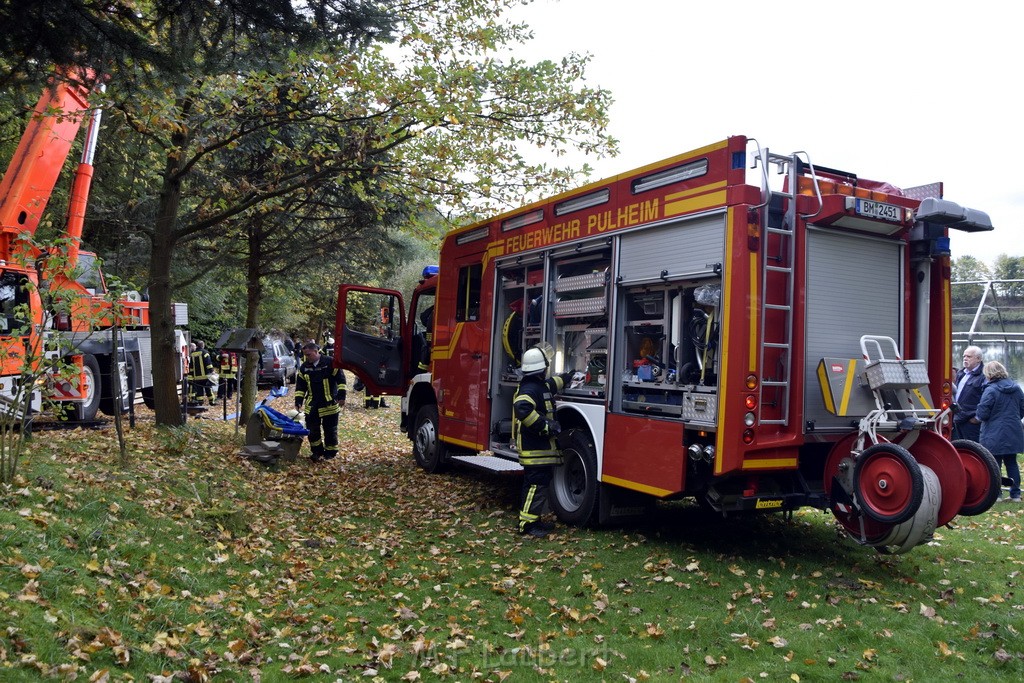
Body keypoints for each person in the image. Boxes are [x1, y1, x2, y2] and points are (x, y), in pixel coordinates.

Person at [512, 342, 572, 537]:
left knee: (537, 485)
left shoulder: (539, 386)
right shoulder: (530, 389)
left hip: (538, 448)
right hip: (535, 449)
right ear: (541, 368)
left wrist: (568, 377)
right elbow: (522, 408)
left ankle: (533, 521)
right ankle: (527, 525)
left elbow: (553, 384)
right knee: (535, 486)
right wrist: (545, 425)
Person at [973, 361, 1024, 502]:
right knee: (1012, 462)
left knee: (995, 464)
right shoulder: (1017, 388)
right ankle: (1016, 495)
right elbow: (1022, 409)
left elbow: (982, 414)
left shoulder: (991, 390)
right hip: (1013, 430)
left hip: (993, 432)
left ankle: (997, 494)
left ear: (988, 374)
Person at [294, 340, 347, 461]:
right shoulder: (304, 367)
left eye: (309, 355)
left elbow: (341, 380)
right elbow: (300, 387)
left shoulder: (330, 363)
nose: (306, 357)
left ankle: (330, 452)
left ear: (316, 351)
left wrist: (341, 396)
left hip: (329, 404)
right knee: (312, 431)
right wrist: (298, 400)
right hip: (312, 404)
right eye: (305, 355)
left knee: (330, 431)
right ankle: (317, 452)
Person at [953, 346, 986, 441]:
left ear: (978, 359)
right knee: (960, 447)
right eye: (964, 356)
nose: (965, 358)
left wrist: (977, 418)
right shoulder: (961, 373)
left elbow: (987, 399)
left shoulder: (984, 376)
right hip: (958, 418)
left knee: (974, 449)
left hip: (972, 421)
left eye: (969, 356)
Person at [188, 340, 216, 406]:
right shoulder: (205, 352)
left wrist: (191, 375)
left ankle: (200, 402)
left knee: (199, 391)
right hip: (206, 376)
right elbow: (208, 363)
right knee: (208, 389)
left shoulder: (193, 354)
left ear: (197, 346)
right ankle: (211, 402)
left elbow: (191, 366)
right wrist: (212, 371)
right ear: (203, 346)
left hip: (197, 377)